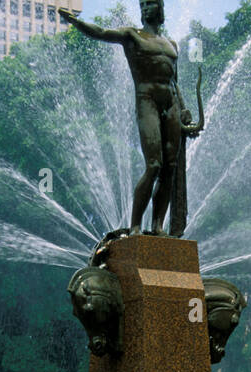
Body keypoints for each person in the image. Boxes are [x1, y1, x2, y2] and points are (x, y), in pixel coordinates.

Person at [59, 1, 186, 235]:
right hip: (147, 99)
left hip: (172, 105)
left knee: (170, 167)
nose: (147, 8)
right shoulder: (131, 35)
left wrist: (184, 109)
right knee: (154, 165)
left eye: (151, 3)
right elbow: (102, 33)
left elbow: (174, 82)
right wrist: (77, 23)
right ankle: (136, 224)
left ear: (161, 9)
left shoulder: (172, 44)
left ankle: (157, 226)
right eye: (144, 4)